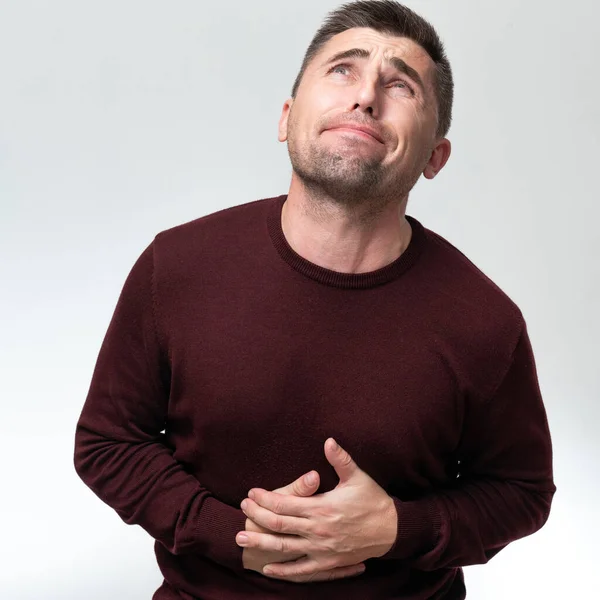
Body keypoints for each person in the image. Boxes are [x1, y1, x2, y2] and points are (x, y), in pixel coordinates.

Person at [73, 1, 556, 598]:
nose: (366, 97)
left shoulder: (486, 323)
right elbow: (109, 442)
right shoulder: (175, 266)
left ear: (435, 156)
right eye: (342, 71)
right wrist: (234, 538)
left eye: (399, 85)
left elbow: (522, 492)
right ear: (286, 117)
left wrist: (397, 529)